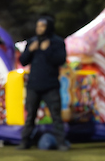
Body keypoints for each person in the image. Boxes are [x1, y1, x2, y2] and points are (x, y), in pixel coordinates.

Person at [18, 14, 69, 150]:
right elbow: (23, 61)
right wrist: (30, 50)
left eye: (43, 26)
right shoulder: (32, 42)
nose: (39, 29)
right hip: (34, 86)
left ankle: (61, 143)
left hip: (50, 86)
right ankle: (25, 142)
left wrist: (48, 51)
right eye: (38, 26)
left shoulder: (57, 42)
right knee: (30, 116)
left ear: (49, 27)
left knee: (56, 116)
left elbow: (61, 60)